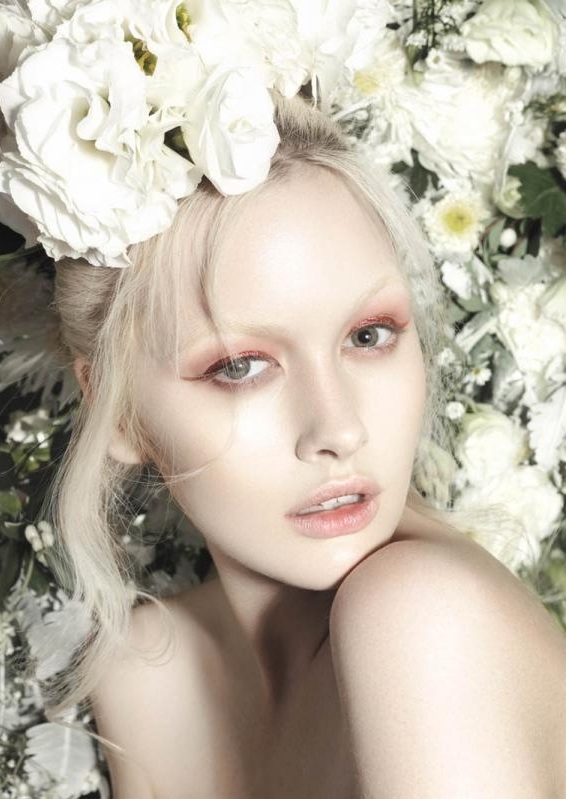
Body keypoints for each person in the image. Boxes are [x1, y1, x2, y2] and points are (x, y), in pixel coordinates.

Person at [41, 93, 566, 798]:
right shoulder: (147, 675)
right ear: (120, 411)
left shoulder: (421, 618)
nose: (339, 430)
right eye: (241, 367)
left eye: (368, 335)